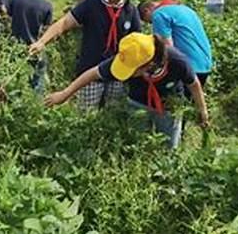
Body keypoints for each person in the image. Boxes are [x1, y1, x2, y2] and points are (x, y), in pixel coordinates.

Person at [44, 33, 209, 149]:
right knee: (136, 143)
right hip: (137, 103)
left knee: (169, 147)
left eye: (132, 70)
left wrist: (202, 111)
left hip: (169, 108)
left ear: (149, 65)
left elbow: (193, 84)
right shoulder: (129, 55)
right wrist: (64, 94)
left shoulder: (177, 61)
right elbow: (92, 73)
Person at [30, 0, 141, 110]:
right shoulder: (91, 3)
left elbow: (137, 42)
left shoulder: (131, 10)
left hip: (118, 74)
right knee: (85, 115)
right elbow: (64, 23)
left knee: (112, 116)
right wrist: (42, 41)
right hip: (89, 73)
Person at [138, 0, 213, 88]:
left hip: (189, 67)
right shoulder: (184, 8)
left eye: (149, 22)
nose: (151, 24)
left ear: (147, 11)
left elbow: (168, 49)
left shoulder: (158, 15)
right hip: (205, 64)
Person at [9, 0, 55, 93]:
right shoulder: (47, 5)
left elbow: (9, 17)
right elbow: (45, 30)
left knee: (14, 78)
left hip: (14, 47)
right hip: (34, 48)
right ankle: (36, 104)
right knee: (37, 80)